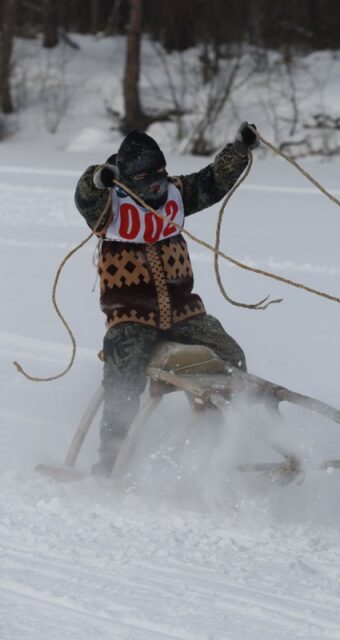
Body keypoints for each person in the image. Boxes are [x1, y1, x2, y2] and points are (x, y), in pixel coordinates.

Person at [74, 123, 260, 476]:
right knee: (123, 376)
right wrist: (97, 178)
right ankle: (112, 462)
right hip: (130, 315)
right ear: (130, 177)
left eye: (160, 173)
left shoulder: (176, 194)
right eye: (147, 177)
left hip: (184, 311)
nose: (157, 183)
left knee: (231, 356)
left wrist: (237, 151)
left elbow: (212, 181)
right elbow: (86, 195)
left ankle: (215, 444)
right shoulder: (110, 203)